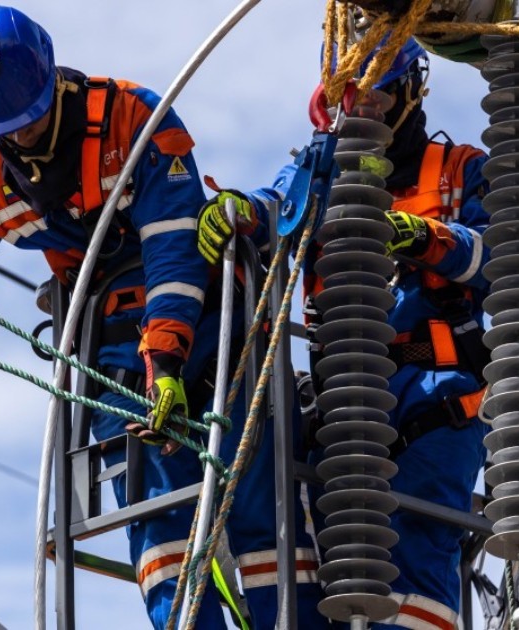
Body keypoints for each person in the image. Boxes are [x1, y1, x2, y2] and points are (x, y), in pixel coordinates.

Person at [0, 5, 327, 628]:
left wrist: (168, 355)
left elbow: (173, 245)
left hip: (216, 328)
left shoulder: (134, 117)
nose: (22, 136)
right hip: (116, 358)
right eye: (7, 128)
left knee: (264, 514)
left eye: (30, 118)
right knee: (159, 532)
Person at [199, 38, 492, 629]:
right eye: (350, 98)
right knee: (307, 546)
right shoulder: (319, 170)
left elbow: (505, 263)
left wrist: (425, 238)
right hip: (345, 404)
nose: (365, 112)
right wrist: (238, 212)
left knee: (416, 561)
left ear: (413, 91)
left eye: (379, 96)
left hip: (437, 400)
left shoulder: (460, 170)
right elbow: (274, 206)